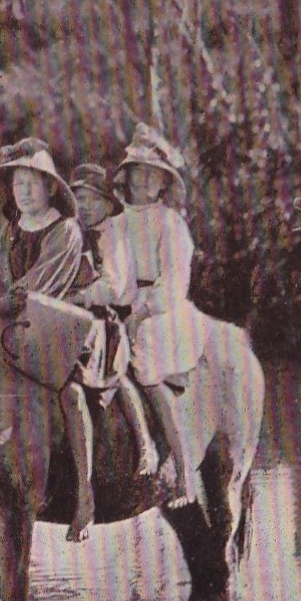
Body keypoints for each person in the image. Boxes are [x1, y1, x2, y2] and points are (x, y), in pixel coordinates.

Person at [0, 137, 96, 541]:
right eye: (19, 184)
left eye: (33, 183)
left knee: (70, 392)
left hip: (61, 322)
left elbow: (41, 286)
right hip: (15, 323)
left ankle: (85, 495)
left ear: (51, 187)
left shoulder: (64, 230)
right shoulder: (12, 230)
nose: (26, 191)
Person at [112, 123, 207, 508]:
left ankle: (185, 474)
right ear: (129, 176)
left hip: (162, 313)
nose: (147, 179)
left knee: (146, 365)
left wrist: (140, 311)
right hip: (122, 303)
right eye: (141, 171)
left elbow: (174, 283)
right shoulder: (116, 222)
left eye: (155, 173)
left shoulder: (170, 224)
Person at [66, 163, 164, 480]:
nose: (86, 206)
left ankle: (145, 442)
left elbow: (115, 286)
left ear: (109, 204)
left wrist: (80, 297)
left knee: (116, 371)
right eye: (80, 199)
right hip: (74, 318)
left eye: (94, 199)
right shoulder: (72, 235)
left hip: (109, 318)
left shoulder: (113, 236)